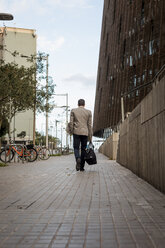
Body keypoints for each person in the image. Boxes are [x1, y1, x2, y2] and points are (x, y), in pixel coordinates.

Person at [70, 99, 92, 171]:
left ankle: (77, 158)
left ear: (78, 104)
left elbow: (71, 122)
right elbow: (89, 125)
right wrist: (90, 136)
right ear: (84, 104)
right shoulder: (88, 112)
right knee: (83, 149)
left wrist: (71, 131)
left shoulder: (73, 111)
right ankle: (82, 167)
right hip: (85, 132)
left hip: (76, 132)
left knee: (76, 148)